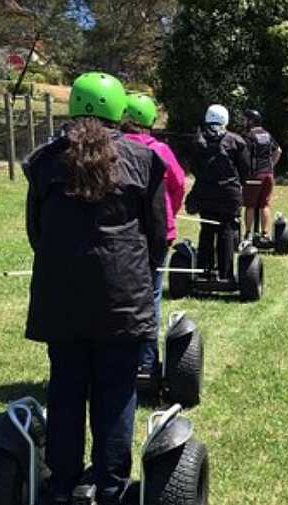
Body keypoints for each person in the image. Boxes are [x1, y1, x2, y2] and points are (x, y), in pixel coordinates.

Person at [23, 72, 167, 505]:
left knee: (66, 387)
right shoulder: (143, 161)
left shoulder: (45, 161)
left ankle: (62, 484)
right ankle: (110, 485)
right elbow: (158, 235)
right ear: (117, 110)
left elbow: (36, 231)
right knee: (116, 389)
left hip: (61, 297)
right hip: (123, 296)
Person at [122, 93, 186, 376]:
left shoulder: (113, 148)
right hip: (157, 233)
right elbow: (179, 184)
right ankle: (146, 361)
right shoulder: (160, 150)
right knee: (151, 295)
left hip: (122, 235)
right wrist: (170, 212)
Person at [184, 104, 250, 280]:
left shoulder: (197, 140)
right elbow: (245, 171)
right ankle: (225, 274)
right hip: (229, 194)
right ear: (226, 119)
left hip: (204, 192)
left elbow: (193, 168)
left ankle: (203, 272)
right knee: (226, 230)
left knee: (206, 228)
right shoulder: (236, 141)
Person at [242, 109, 282, 241]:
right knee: (264, 205)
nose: (244, 122)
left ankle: (248, 234)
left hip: (255, 176)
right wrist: (271, 166)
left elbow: (243, 155)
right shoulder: (267, 135)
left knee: (250, 205)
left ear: (251, 121)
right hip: (268, 175)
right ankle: (265, 234)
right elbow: (278, 151)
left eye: (245, 119)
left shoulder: (249, 136)